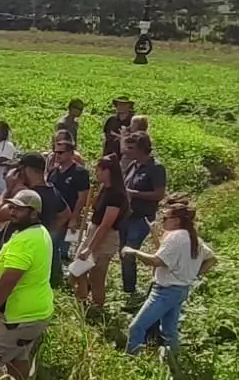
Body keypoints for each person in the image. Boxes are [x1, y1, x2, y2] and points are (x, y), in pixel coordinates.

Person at [0, 189, 55, 380]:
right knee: (18, 356)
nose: (12, 212)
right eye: (11, 207)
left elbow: (8, 280)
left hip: (17, 317)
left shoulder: (25, 242)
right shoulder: (40, 233)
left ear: (34, 213)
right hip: (37, 313)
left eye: (19, 210)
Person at [124, 194, 217, 361]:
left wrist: (133, 251)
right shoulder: (193, 237)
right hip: (181, 289)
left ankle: (131, 362)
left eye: (165, 217)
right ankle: (175, 362)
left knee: (136, 327)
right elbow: (212, 259)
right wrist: (194, 274)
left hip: (164, 292)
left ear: (177, 220)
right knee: (169, 331)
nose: (162, 220)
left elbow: (156, 261)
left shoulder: (175, 236)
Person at [0, 153, 65, 306]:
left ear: (27, 170)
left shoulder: (26, 198)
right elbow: (65, 214)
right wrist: (49, 235)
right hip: (36, 251)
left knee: (2, 294)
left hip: (17, 253)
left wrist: (7, 189)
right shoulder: (51, 190)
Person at [119, 131, 168, 310]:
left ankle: (131, 294)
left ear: (141, 149)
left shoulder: (156, 168)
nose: (127, 150)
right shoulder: (134, 165)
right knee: (123, 252)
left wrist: (134, 194)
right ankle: (128, 289)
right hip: (127, 216)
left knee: (130, 252)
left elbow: (159, 194)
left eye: (132, 147)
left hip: (142, 218)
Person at [73, 155, 127, 309]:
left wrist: (90, 248)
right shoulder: (104, 189)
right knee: (78, 269)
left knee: (97, 276)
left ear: (107, 171)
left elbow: (106, 225)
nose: (96, 174)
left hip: (106, 237)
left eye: (98, 170)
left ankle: (97, 306)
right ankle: (81, 299)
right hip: (93, 231)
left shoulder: (116, 195)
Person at [47, 134, 92, 271]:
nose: (57, 155)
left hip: (67, 214)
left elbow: (82, 197)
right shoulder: (54, 170)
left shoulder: (80, 172)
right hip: (52, 214)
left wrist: (74, 217)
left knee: (53, 246)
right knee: (51, 245)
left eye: (60, 152)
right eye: (55, 152)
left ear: (71, 153)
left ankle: (55, 275)